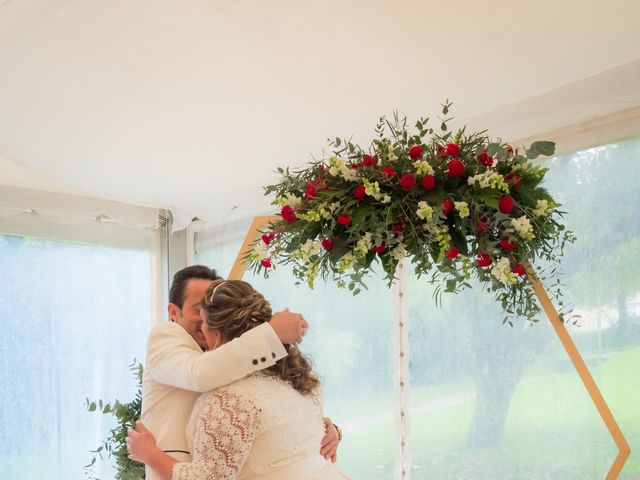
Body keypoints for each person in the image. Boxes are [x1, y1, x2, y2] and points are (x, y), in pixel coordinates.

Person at [129, 279, 349, 479]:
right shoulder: (298, 378)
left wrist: (330, 430)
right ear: (174, 312)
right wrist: (271, 334)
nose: (202, 322)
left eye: (206, 313)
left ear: (216, 330)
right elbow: (199, 374)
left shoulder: (234, 396)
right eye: (198, 308)